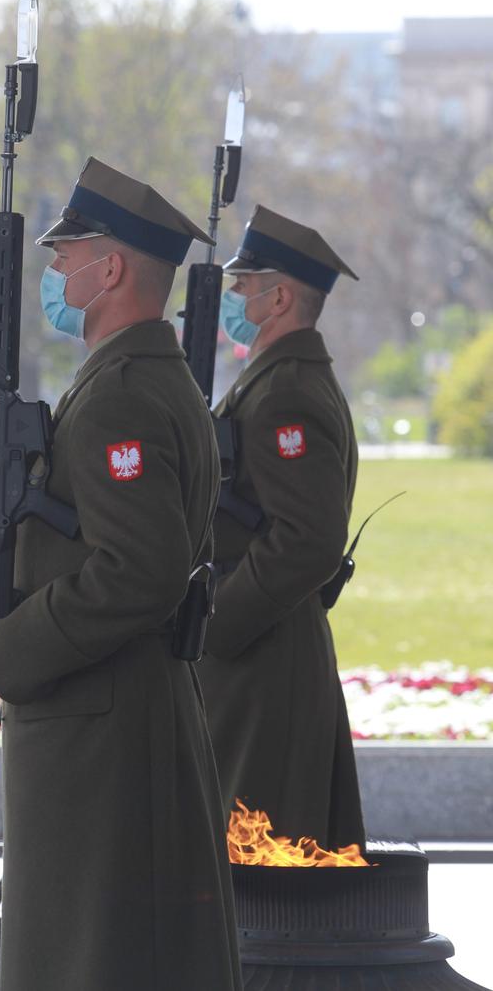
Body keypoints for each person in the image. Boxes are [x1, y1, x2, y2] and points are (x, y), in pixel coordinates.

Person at [0, 157, 243, 991]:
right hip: (118, 713)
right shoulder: (144, 380)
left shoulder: (123, 395)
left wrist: (13, 645)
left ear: (111, 267)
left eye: (67, 255)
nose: (55, 272)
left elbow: (141, 571)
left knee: (94, 956)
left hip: (104, 724)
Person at [198, 204, 366, 851]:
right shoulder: (275, 381)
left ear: (281, 295)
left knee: (264, 862)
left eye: (246, 285)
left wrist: (218, 624)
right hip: (266, 651)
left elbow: (308, 539)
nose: (236, 298)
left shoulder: (286, 394)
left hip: (263, 657)